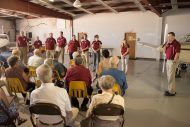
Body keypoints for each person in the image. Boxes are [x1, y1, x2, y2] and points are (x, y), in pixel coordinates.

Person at [163, 32, 181, 96]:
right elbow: (164, 50)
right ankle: (170, 89)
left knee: (171, 76)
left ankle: (172, 92)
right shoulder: (167, 42)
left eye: (170, 36)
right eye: (168, 36)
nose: (168, 37)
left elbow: (177, 53)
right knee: (169, 76)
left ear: (173, 36)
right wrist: (166, 45)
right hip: (168, 61)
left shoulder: (177, 43)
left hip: (172, 61)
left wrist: (174, 61)